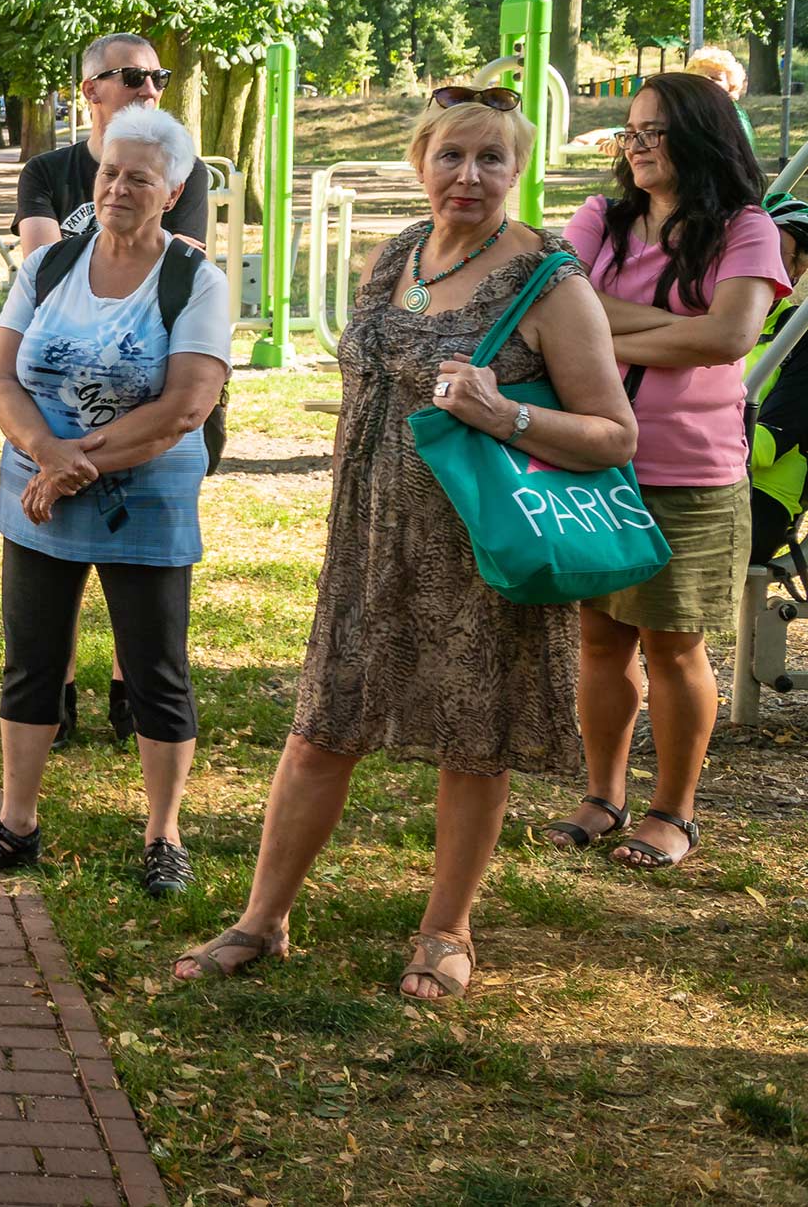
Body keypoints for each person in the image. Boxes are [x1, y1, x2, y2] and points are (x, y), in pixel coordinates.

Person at [175, 87, 636, 998]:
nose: (469, 176)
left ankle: (446, 929)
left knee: (475, 741)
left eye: (491, 159)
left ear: (518, 170)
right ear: (420, 160)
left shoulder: (549, 277)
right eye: (452, 156)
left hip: (481, 550)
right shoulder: (393, 256)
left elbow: (615, 434)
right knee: (321, 728)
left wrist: (506, 411)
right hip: (370, 537)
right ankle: (263, 919)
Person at [0, 107, 230, 895]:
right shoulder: (47, 268)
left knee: (156, 669)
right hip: (39, 494)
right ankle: (17, 822)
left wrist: (74, 464)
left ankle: (164, 834)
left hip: (143, 497)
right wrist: (48, 455)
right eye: (110, 171)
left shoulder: (192, 279)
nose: (118, 186)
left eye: (139, 176)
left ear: (171, 190)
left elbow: (185, 405)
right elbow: (2, 377)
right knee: (31, 662)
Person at [544, 72, 786, 870]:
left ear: (700, 134)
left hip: (690, 470)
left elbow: (729, 337)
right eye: (631, 131)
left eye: (654, 130)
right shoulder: (599, 219)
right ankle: (603, 795)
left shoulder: (746, 227)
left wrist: (605, 333)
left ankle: (674, 811)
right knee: (599, 637)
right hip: (590, 456)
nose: (636, 145)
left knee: (674, 644)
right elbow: (556, 309)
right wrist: (673, 325)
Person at [14, 32, 214, 749]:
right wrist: (50, 449)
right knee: (49, 570)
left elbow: (183, 261)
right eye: (131, 75)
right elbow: (41, 263)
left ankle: (134, 697)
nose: (149, 87)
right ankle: (56, 698)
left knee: (142, 579)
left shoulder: (178, 164)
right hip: (56, 401)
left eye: (158, 75)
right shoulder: (49, 168)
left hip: (150, 398)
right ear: (90, 88)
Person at [743, 195, 808, 566]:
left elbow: (766, 446)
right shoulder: (699, 315)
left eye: (769, 249)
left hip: (762, 492)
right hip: (686, 470)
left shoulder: (799, 334)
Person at [687, 47, 756, 156]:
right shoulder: (686, 111)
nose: (706, 81)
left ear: (731, 84)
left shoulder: (735, 115)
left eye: (714, 78)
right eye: (700, 77)